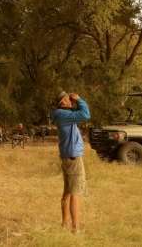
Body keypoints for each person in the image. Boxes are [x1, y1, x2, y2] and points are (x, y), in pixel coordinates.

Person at [51, 91, 90, 233]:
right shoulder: (63, 115)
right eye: (68, 99)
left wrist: (74, 103)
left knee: (67, 192)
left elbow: (77, 112)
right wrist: (79, 99)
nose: (71, 100)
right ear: (62, 102)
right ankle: (75, 228)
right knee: (75, 193)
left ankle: (64, 224)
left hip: (67, 156)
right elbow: (85, 115)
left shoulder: (60, 114)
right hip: (73, 157)